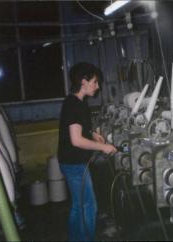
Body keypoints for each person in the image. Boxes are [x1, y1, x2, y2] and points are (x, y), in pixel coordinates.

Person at [58, 62, 117, 241]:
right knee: (88, 206)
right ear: (83, 81)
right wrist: (103, 147)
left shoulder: (75, 102)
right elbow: (76, 140)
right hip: (74, 164)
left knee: (79, 205)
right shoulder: (75, 105)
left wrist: (93, 134)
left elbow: (78, 130)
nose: (97, 87)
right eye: (95, 82)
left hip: (72, 162)